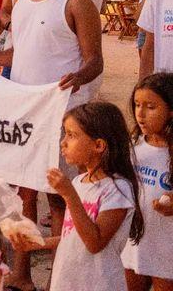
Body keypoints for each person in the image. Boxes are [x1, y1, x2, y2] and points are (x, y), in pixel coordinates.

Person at [0, 0, 104, 291]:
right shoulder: (24, 0)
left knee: (60, 197)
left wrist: (75, 77)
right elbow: (21, 54)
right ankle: (22, 274)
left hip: (64, 115)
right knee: (23, 196)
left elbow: (95, 61)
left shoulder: (76, 1)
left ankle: (61, 278)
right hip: (25, 115)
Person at [9, 102, 143, 291]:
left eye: (71, 135)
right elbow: (73, 236)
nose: (63, 142)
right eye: (65, 134)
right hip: (67, 281)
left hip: (97, 284)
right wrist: (39, 243)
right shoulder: (79, 182)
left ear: (98, 145)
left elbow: (94, 243)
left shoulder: (117, 190)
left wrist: (69, 195)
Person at [122, 73, 173, 290]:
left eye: (151, 107)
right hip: (134, 242)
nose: (140, 114)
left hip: (166, 245)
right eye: (137, 105)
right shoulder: (133, 145)